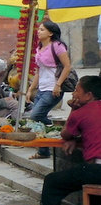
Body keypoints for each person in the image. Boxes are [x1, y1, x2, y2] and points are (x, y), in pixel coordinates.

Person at [37, 76, 101, 205]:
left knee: (52, 181)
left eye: (77, 90)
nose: (74, 94)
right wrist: (78, 139)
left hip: (97, 169)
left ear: (89, 95)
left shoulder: (81, 113)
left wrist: (73, 109)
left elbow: (66, 134)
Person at [26, 20, 73, 160]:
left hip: (53, 88)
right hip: (42, 87)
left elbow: (67, 66)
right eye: (39, 29)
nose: (38, 31)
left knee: (35, 116)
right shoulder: (39, 48)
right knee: (37, 120)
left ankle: (55, 130)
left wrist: (58, 84)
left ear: (51, 33)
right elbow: (39, 71)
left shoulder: (58, 46)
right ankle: (43, 151)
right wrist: (30, 89)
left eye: (42, 30)